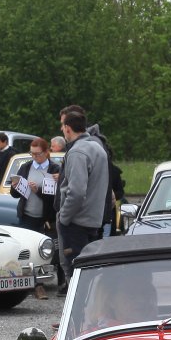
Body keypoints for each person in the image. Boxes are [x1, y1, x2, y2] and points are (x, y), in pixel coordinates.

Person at [57, 107, 109, 293]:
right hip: (93, 221)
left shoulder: (78, 152)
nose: (62, 130)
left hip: (76, 222)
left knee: (74, 272)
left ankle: (76, 311)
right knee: (89, 273)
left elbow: (77, 192)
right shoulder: (98, 148)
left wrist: (64, 217)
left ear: (68, 128)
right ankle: (88, 309)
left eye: (62, 126)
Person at [9, 137, 60, 298]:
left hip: (47, 218)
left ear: (46, 152)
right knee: (26, 250)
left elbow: (56, 197)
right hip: (27, 215)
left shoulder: (55, 169)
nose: (35, 157)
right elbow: (14, 194)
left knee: (49, 251)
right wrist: (16, 186)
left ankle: (54, 284)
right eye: (32, 154)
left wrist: (38, 190)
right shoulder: (26, 167)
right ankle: (28, 284)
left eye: (38, 154)